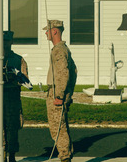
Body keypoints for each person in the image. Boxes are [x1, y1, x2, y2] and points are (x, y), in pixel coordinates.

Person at [44, 20, 77, 162]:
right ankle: (66, 155)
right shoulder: (63, 49)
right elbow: (74, 71)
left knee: (58, 128)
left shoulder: (59, 50)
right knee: (61, 126)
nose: (46, 33)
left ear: (55, 31)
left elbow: (64, 73)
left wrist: (60, 95)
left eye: (48, 30)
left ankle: (65, 157)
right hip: (59, 92)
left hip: (57, 93)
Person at [3, 30, 28, 162]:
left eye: (7, 41)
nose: (5, 44)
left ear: (11, 42)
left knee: (12, 127)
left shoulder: (18, 59)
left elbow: (26, 79)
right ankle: (1, 154)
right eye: (3, 41)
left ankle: (12, 155)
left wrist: (17, 76)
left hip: (12, 97)